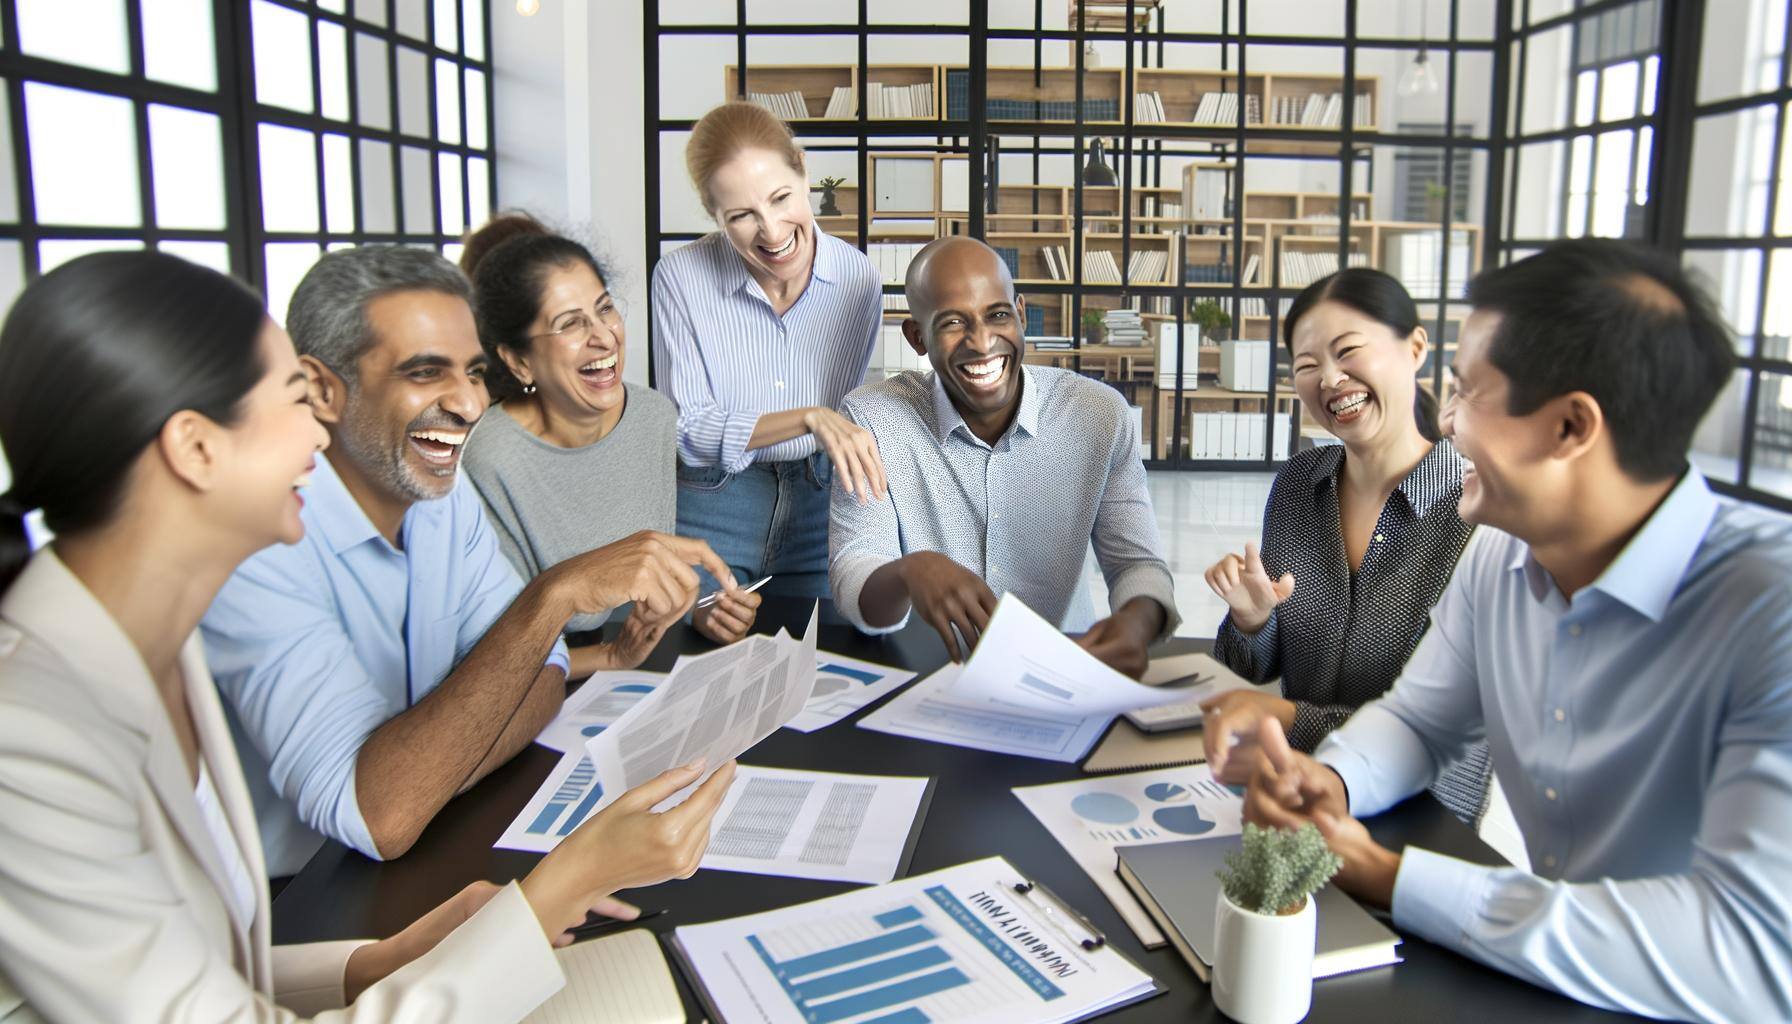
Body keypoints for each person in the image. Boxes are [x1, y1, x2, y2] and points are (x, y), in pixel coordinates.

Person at [0, 250, 736, 1020]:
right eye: (291, 400)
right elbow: (381, 813)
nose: (314, 439)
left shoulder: (156, 640)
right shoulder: (33, 732)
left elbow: (193, 970)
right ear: (194, 448)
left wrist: (370, 967)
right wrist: (559, 887)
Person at [1241, 239, 1792, 1021]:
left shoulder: (1770, 608)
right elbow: (1421, 721)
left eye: (1467, 391)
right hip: (1544, 981)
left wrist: (1389, 877)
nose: (1450, 420)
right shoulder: (1499, 555)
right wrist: (1333, 781)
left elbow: (1748, 947)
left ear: (1570, 427)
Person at [201, 246, 738, 878]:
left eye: (472, 372)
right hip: (287, 899)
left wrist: (437, 761)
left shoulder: (442, 497)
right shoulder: (254, 542)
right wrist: (554, 595)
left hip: (432, 847)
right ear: (321, 389)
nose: (469, 405)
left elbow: (545, 671)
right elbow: (382, 816)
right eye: (425, 372)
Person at [1202, 268, 1491, 824]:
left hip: (1417, 822)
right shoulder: (1298, 484)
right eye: (1307, 366)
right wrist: (1252, 621)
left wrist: (1285, 718)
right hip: (1285, 795)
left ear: (1415, 348)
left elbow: (1452, 739)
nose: (1329, 380)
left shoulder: (1476, 515)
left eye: (1347, 352)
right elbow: (1255, 673)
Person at [829, 236, 1178, 677]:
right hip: (928, 674)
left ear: (1021, 314)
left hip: (1062, 670)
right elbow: (854, 577)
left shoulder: (1099, 416)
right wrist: (908, 571)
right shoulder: (872, 420)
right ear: (918, 337)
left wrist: (1135, 622)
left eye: (997, 315)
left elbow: (1138, 565)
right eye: (953, 323)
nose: (981, 342)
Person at [460, 214, 762, 670]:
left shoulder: (653, 417)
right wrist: (608, 657)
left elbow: (645, 587)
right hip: (535, 685)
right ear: (519, 361)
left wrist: (700, 608)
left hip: (639, 670)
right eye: (570, 324)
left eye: (605, 309)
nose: (604, 337)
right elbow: (492, 655)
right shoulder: (491, 458)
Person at [652, 101, 887, 601]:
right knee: (699, 658)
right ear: (713, 215)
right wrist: (808, 417)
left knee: (835, 657)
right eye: (741, 216)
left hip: (821, 499)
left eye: (781, 198)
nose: (773, 231)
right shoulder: (679, 278)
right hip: (713, 499)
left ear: (803, 171)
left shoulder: (857, 277)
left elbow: (849, 412)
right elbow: (689, 431)